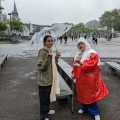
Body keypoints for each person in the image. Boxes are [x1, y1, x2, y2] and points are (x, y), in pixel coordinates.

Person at [71, 37, 108, 120]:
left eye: (82, 43)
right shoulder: (77, 54)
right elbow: (74, 65)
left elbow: (92, 65)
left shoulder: (92, 53)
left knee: (90, 96)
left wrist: (81, 63)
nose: (80, 45)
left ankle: (95, 113)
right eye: (79, 44)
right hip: (81, 79)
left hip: (90, 80)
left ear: (86, 44)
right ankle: (84, 108)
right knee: (82, 94)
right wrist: (73, 73)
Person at [37, 35, 61, 120]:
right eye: (48, 41)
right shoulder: (42, 52)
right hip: (44, 80)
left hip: (50, 79)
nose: (50, 42)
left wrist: (56, 57)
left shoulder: (50, 51)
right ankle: (43, 116)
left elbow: (53, 64)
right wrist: (48, 56)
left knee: (47, 97)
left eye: (52, 41)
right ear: (44, 42)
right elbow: (41, 67)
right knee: (44, 99)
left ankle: (47, 110)